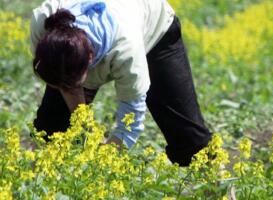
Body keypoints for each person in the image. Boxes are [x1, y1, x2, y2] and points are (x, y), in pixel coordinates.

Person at [30, 0, 211, 166]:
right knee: (51, 130)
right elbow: (66, 86)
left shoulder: (127, 49)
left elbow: (131, 121)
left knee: (191, 143)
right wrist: (84, 129)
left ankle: (219, 190)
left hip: (154, 29)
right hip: (74, 52)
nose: (66, 89)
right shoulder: (44, 22)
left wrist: (108, 156)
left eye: (70, 85)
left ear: (91, 61)